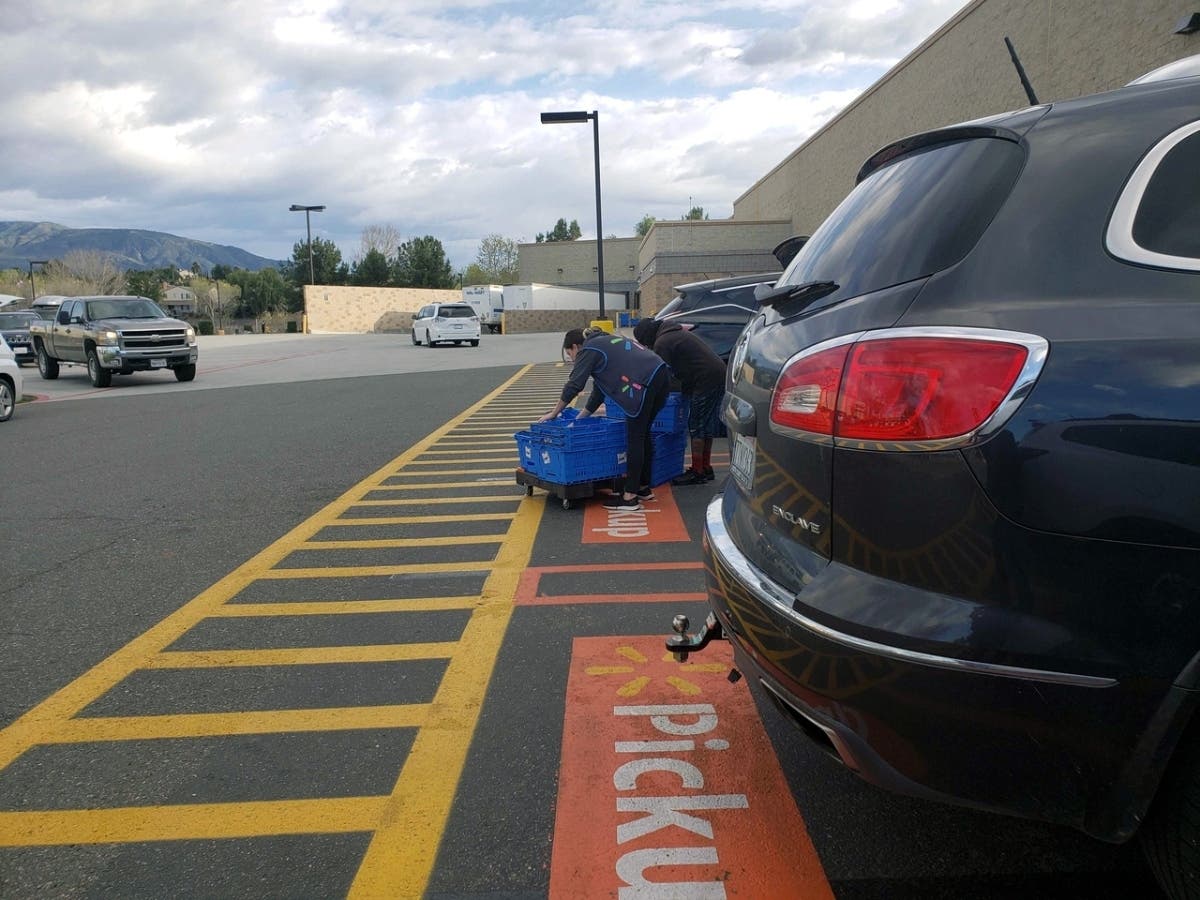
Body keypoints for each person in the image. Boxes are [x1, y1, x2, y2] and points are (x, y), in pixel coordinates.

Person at [538, 327, 669, 511]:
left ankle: (630, 497)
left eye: (570, 354)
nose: (572, 358)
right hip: (660, 375)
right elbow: (600, 391)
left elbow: (575, 384)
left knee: (636, 437)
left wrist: (554, 413)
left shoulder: (589, 349)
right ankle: (641, 487)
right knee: (642, 433)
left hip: (643, 383)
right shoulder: (605, 343)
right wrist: (580, 418)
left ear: (576, 346)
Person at [633, 318, 726, 485]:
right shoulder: (674, 333)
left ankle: (697, 471)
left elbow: (661, 375)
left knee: (697, 424)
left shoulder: (663, 342)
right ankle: (706, 467)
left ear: (647, 337)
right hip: (717, 373)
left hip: (705, 379)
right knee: (706, 424)